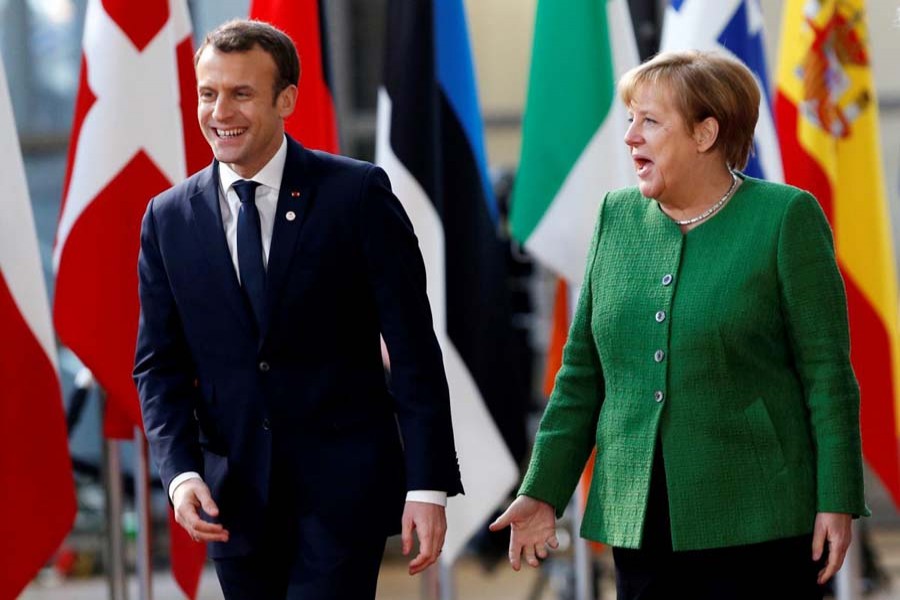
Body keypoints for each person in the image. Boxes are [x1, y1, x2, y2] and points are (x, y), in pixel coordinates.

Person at [491, 50, 869, 599]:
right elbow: (581, 376)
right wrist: (542, 490)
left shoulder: (786, 218)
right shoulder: (614, 218)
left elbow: (828, 377)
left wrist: (836, 498)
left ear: (705, 133)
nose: (630, 138)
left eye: (649, 121)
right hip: (639, 521)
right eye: (629, 119)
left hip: (760, 520)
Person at [133, 19, 462, 599]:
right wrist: (181, 474)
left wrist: (427, 485)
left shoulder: (356, 195)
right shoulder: (167, 218)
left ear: (286, 99)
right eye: (209, 93)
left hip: (341, 495)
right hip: (232, 500)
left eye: (241, 93)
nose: (219, 111)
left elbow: (413, 347)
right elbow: (158, 367)